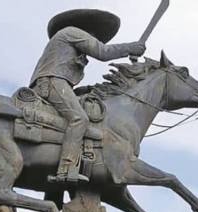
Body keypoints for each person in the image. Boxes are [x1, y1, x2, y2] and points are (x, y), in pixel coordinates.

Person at [29, 9, 146, 184]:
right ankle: (66, 169)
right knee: (79, 119)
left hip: (59, 83)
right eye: (94, 37)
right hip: (53, 81)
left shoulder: (67, 40)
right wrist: (130, 47)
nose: (95, 40)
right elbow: (103, 53)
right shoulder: (72, 32)